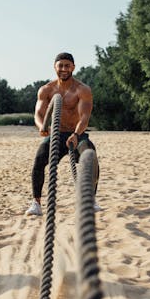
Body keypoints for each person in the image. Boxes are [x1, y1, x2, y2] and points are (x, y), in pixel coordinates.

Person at [25, 52, 101, 216]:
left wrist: (76, 134)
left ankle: (91, 200)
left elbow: (85, 117)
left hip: (77, 134)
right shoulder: (46, 90)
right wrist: (41, 127)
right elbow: (38, 114)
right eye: (60, 65)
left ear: (73, 67)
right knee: (39, 159)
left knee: (90, 156)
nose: (64, 69)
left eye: (67, 66)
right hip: (56, 135)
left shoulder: (82, 90)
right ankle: (36, 203)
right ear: (55, 67)